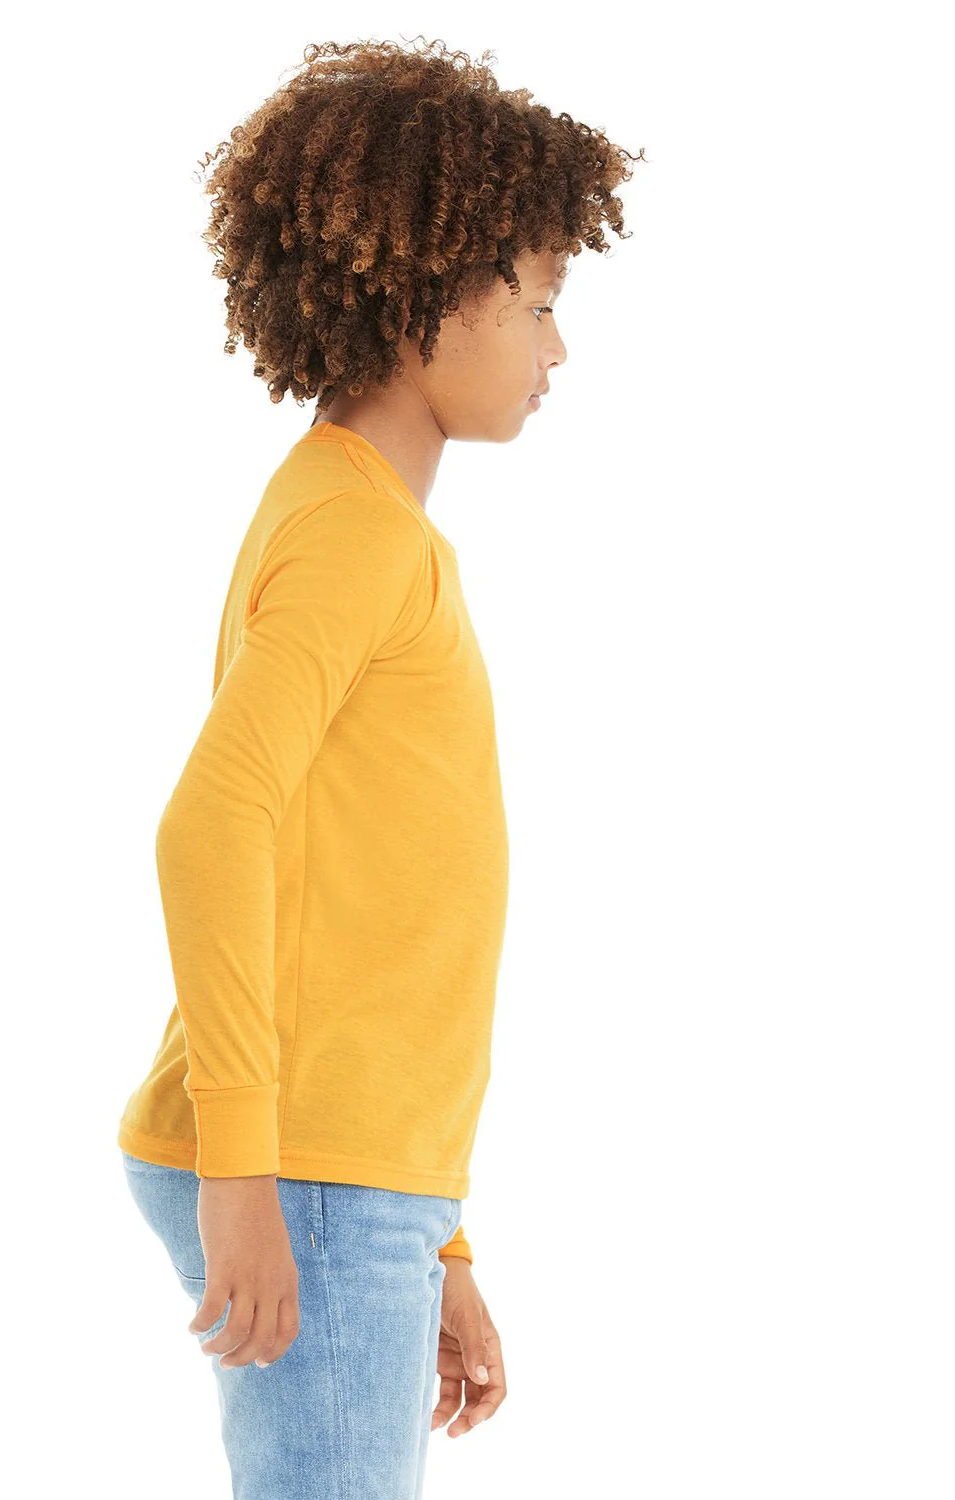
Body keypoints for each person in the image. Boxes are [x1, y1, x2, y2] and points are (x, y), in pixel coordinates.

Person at [117, 36, 638, 1498]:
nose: (557, 349)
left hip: (350, 1177)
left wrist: (440, 1235)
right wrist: (248, 1173)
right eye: (539, 302)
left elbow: (362, 904)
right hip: (306, 1168)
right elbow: (214, 819)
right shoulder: (355, 533)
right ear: (425, 298)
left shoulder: (357, 521)